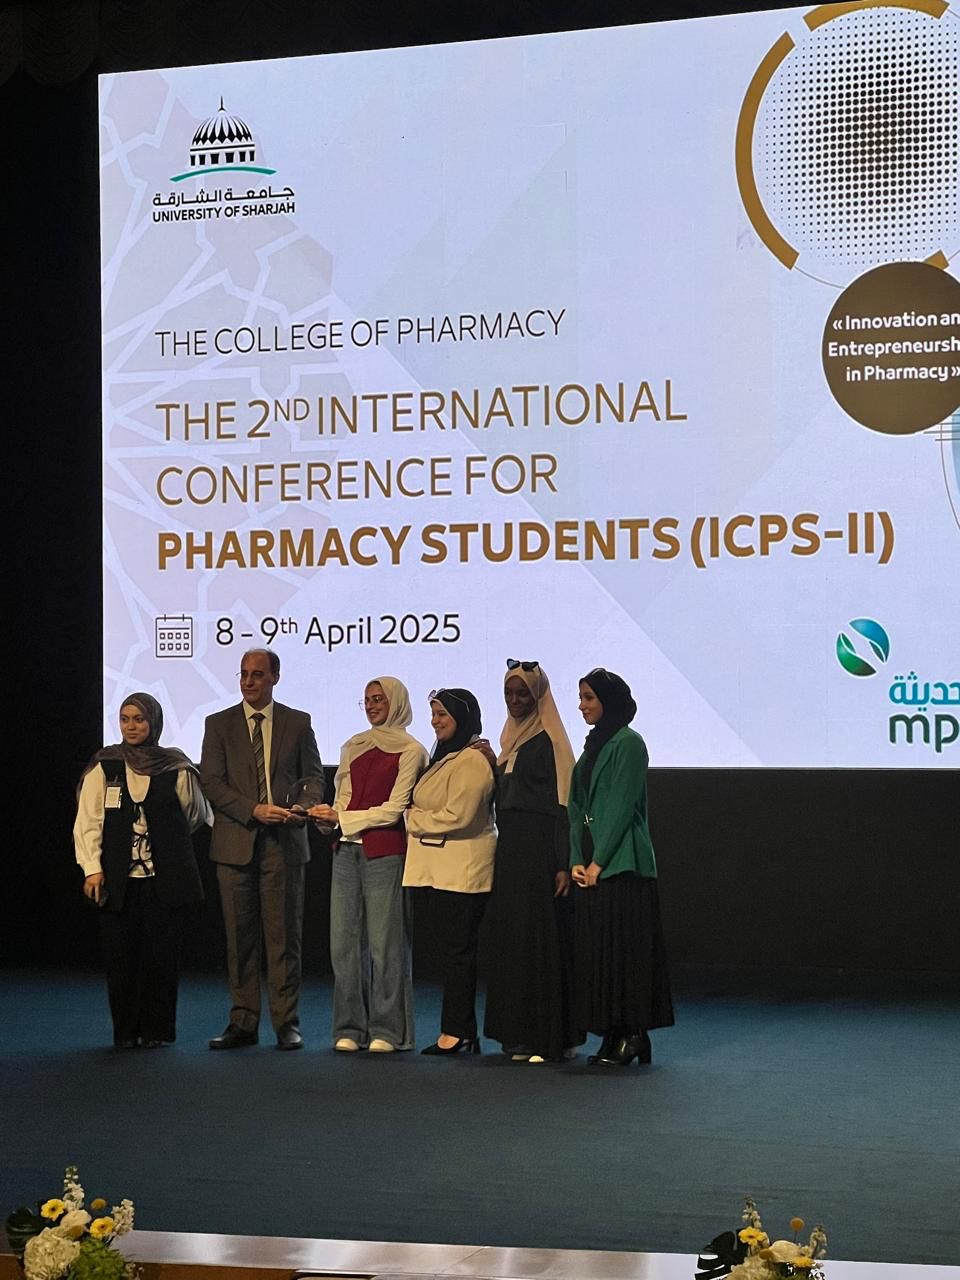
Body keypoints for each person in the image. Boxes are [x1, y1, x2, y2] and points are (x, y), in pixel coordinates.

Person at [200, 648, 323, 1051]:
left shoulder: (297, 722)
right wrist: (253, 809)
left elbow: (313, 778)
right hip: (235, 843)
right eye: (243, 674)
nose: (249, 681)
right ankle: (243, 1021)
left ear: (275, 677)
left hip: (284, 844)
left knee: (284, 937)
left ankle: (286, 1023)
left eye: (257, 674)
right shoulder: (218, 724)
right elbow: (211, 783)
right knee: (240, 939)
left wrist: (302, 806)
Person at [74, 692, 212, 1049]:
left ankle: (156, 1031)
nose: (131, 727)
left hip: (163, 881)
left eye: (139, 719)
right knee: (121, 959)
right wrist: (92, 868)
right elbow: (88, 820)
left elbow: (193, 815)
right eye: (125, 719)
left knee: (161, 958)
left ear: (153, 722)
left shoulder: (175, 766)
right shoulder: (105, 765)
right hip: (118, 881)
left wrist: (166, 841)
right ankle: (125, 1032)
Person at [308, 677, 428, 1053]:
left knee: (385, 945)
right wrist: (329, 819)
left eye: (379, 699)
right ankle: (350, 1027)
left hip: (385, 853)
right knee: (343, 944)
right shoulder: (353, 745)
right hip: (345, 851)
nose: (373, 705)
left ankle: (388, 1031)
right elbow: (342, 798)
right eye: (368, 700)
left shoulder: (411, 750)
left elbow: (395, 809)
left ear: (396, 702)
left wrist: (343, 819)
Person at [568, 668, 674, 1067]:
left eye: (589, 698)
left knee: (627, 953)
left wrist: (599, 861)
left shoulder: (629, 743)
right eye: (581, 697)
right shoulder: (592, 747)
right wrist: (576, 858)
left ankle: (633, 1034)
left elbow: (621, 806)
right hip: (594, 866)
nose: (582, 706)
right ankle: (613, 1033)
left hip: (623, 866)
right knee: (603, 955)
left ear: (608, 701)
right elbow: (577, 806)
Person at [483, 660, 581, 1063]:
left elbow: (563, 806)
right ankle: (518, 1035)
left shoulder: (550, 742)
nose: (515, 700)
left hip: (542, 852)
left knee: (543, 943)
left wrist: (562, 863)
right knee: (515, 942)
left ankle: (550, 1037)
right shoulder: (509, 741)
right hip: (510, 853)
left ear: (538, 696)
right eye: (509, 693)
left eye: (523, 693)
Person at [403, 688, 496, 1055]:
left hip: (463, 872)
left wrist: (412, 820)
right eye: (433, 714)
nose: (435, 721)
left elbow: (460, 815)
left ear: (462, 717)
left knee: (458, 954)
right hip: (443, 870)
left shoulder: (472, 760)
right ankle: (460, 1031)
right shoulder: (446, 756)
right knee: (453, 954)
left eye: (442, 714)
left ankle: (457, 1032)